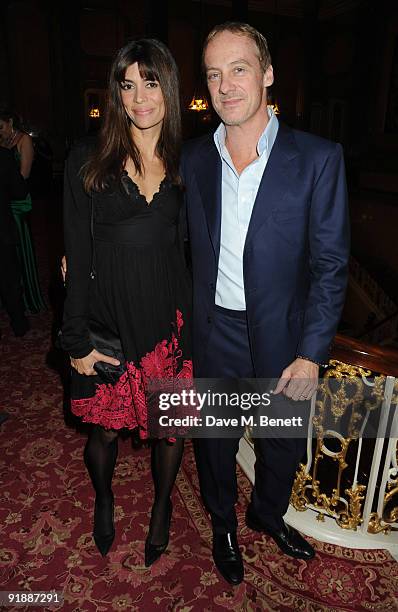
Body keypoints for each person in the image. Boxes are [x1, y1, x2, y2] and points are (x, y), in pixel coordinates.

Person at [181, 22, 350, 585]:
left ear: (268, 74)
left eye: (239, 68)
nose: (225, 85)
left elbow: (330, 267)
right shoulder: (195, 160)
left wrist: (311, 353)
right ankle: (224, 525)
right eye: (213, 73)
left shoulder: (319, 159)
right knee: (215, 446)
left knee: (281, 447)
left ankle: (267, 514)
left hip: (285, 342)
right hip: (215, 333)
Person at [61, 39, 192, 564]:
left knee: (169, 433)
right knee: (103, 433)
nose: (139, 97)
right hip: (107, 324)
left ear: (170, 89)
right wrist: (74, 338)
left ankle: (162, 508)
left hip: (168, 325)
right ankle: (105, 498)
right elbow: (74, 249)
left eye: (151, 82)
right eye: (128, 84)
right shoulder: (85, 161)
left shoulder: (190, 165)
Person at [0, 109, 45, 313]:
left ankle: (28, 297)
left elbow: (23, 176)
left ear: (9, 122)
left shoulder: (24, 140)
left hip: (19, 203)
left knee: (19, 251)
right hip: (4, 202)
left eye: (1, 126)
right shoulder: (2, 142)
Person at [0, 146, 30, 338]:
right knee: (9, 278)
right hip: (1, 229)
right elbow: (19, 191)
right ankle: (19, 323)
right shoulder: (3, 155)